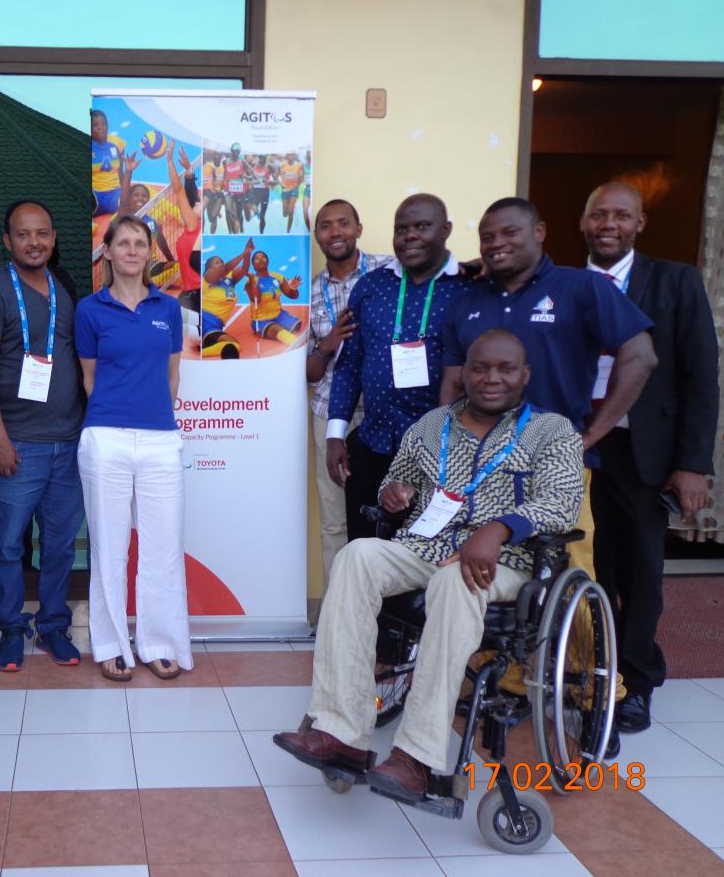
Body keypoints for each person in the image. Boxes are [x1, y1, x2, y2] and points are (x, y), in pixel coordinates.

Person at [275, 330, 584, 804]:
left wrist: (500, 527)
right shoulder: (432, 424)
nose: (491, 378)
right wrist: (392, 494)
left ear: (524, 375)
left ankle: (417, 758)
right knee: (356, 556)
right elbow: (399, 478)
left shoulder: (552, 431)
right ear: (465, 372)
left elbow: (562, 502)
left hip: (505, 561)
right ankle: (342, 733)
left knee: (454, 581)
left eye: (505, 369)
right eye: (480, 368)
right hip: (426, 544)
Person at [439, 198, 656, 586]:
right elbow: (452, 384)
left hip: (555, 463)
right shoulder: (466, 300)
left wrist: (591, 436)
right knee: (479, 569)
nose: (495, 243)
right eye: (487, 237)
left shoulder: (582, 287)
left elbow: (641, 356)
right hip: (480, 465)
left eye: (509, 233)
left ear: (539, 233)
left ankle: (579, 649)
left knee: (569, 573)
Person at [580, 182, 717, 734]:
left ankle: (634, 682)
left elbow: (701, 375)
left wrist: (693, 464)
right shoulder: (566, 285)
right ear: (582, 223)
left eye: (620, 216)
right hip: (577, 444)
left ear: (639, 225)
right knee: (586, 563)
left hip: (642, 449)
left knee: (638, 572)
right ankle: (581, 669)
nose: (607, 224)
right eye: (598, 215)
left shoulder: (675, 281)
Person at [75, 214, 192, 682]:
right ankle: (111, 644)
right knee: (109, 547)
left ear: (149, 253)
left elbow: (172, 376)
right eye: (121, 242)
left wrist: (154, 419)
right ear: (107, 252)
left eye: (139, 243)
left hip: (161, 438)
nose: (130, 250)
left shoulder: (167, 308)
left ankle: (159, 642)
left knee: (163, 548)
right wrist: (116, 415)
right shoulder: (91, 310)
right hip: (106, 438)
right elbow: (88, 378)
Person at [0, 200, 85, 672]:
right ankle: (11, 630)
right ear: (7, 241)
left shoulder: (66, 288)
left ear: (54, 238)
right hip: (17, 443)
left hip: (68, 442)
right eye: (23, 234)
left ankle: (53, 626)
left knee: (59, 545)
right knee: (9, 546)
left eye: (42, 233)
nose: (34, 242)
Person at [326, 194, 472, 543]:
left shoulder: (469, 289)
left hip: (440, 452)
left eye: (422, 226)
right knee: (364, 551)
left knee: (423, 555)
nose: (410, 236)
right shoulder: (371, 286)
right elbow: (348, 365)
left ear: (446, 230)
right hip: (373, 442)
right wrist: (335, 434)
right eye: (401, 229)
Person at [306, 200, 395, 588]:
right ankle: (337, 613)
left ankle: (390, 615)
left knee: (391, 508)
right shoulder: (307, 294)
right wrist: (327, 345)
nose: (335, 231)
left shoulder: (389, 271)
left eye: (344, 223)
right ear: (317, 236)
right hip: (330, 414)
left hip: (386, 410)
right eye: (326, 226)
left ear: (359, 228)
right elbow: (308, 373)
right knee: (335, 517)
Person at [247, 250, 302, 346]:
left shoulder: (277, 277)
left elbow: (293, 296)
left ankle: (277, 327)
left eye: (263, 257)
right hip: (261, 319)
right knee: (280, 332)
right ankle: (296, 344)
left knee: (297, 326)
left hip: (279, 315)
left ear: (267, 261)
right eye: (256, 258)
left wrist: (293, 288)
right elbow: (256, 300)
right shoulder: (251, 281)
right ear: (253, 265)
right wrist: (252, 280)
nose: (260, 260)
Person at [91, 109, 125, 217]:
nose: (100, 127)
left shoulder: (114, 147)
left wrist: (125, 193)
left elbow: (121, 173)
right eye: (96, 125)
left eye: (103, 124)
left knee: (132, 202)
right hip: (96, 196)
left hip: (115, 195)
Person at [221, 143, 254, 234]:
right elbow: (225, 174)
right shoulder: (226, 162)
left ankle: (240, 229)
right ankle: (233, 233)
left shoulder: (243, 162)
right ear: (231, 151)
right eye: (234, 151)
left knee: (238, 214)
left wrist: (243, 176)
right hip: (229, 191)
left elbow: (250, 176)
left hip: (240, 191)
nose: (236, 153)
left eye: (238, 152)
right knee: (230, 212)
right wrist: (223, 184)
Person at [278, 151, 304, 233]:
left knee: (290, 211)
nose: (290, 156)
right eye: (288, 155)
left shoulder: (299, 165)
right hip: (285, 190)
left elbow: (301, 177)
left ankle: (288, 231)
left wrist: (297, 184)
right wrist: (281, 183)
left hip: (294, 189)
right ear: (286, 156)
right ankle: (293, 209)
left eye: (291, 155)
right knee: (285, 214)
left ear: (294, 156)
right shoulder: (282, 165)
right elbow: (280, 176)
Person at [202, 150, 225, 234]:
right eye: (216, 155)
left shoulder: (213, 167)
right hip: (207, 193)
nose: (217, 156)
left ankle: (211, 235)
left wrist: (216, 188)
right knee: (210, 217)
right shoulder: (210, 166)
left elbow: (218, 178)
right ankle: (202, 234)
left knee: (213, 217)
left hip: (215, 194)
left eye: (219, 155)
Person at [249, 154, 273, 234]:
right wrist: (250, 182)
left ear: (266, 158)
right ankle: (257, 214)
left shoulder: (270, 166)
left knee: (262, 217)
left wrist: (268, 182)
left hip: (265, 192)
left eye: (264, 157)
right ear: (259, 157)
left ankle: (261, 233)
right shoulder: (253, 164)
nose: (262, 159)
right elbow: (250, 175)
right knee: (254, 209)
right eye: (261, 157)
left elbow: (276, 181)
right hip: (255, 191)